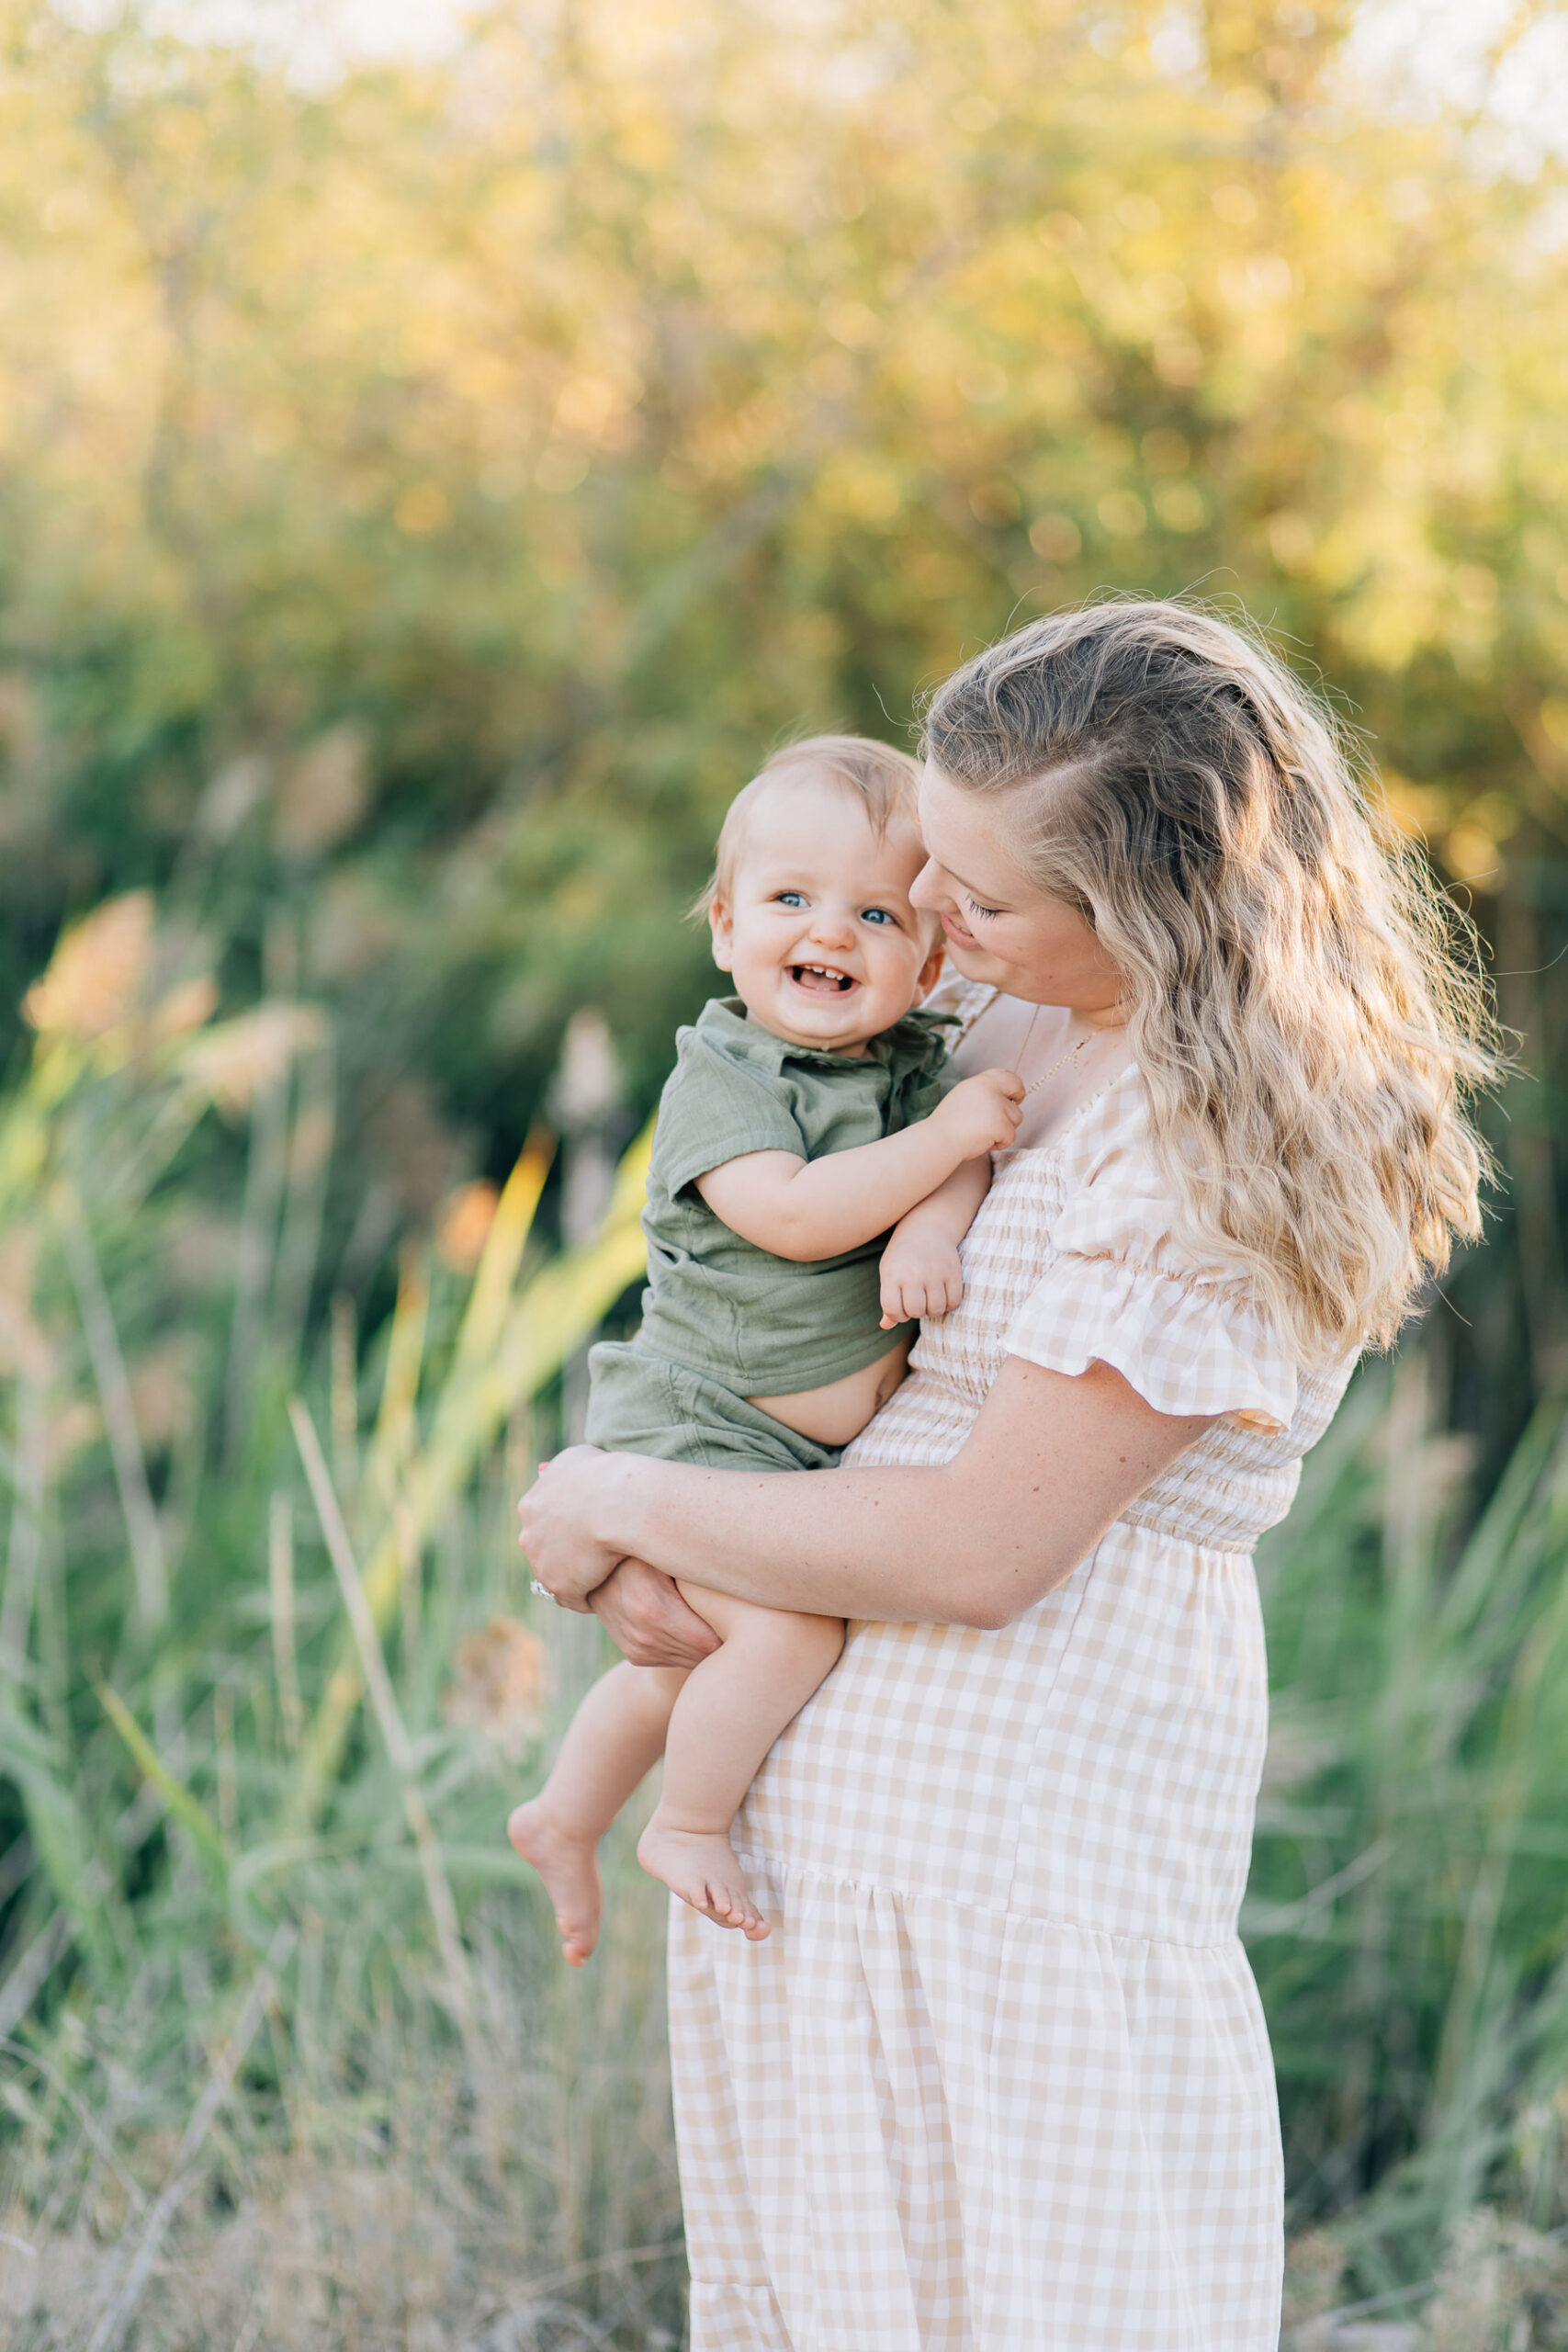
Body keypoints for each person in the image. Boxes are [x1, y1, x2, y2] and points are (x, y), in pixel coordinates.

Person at [519, 602, 1495, 2351]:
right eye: (934, 878)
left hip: (1008, 1860)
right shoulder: (996, 1002)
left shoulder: (1208, 1146)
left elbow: (982, 1548)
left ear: (1140, 914)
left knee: (1034, 2296)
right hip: (824, 1846)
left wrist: (617, 1497)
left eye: (979, 898)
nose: (935, 926)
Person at [511, 736, 1024, 1962]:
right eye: (792, 901)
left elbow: (965, 1161)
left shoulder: (913, 1070)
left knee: (690, 1661)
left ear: (934, 955)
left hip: (784, 1451)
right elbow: (793, 1215)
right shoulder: (724, 1075)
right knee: (787, 1634)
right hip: (701, 1416)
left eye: (877, 913)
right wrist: (944, 1144)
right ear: (725, 925)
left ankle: (564, 1813)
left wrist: (936, 1230)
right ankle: (683, 1825)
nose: (831, 934)